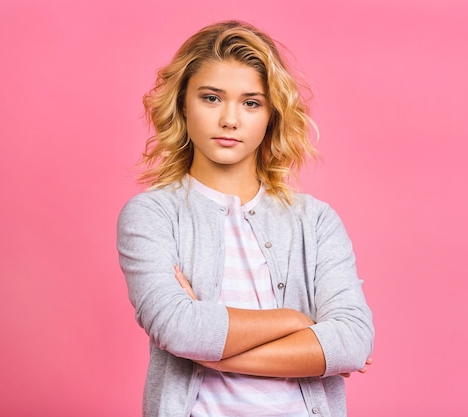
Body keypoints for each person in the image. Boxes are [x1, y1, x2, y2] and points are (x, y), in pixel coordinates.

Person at [117, 20, 374, 417]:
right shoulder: (152, 216)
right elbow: (179, 329)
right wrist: (295, 320)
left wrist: (213, 355)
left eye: (251, 102)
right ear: (184, 104)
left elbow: (352, 341)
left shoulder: (316, 222)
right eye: (212, 98)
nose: (230, 120)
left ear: (272, 114)